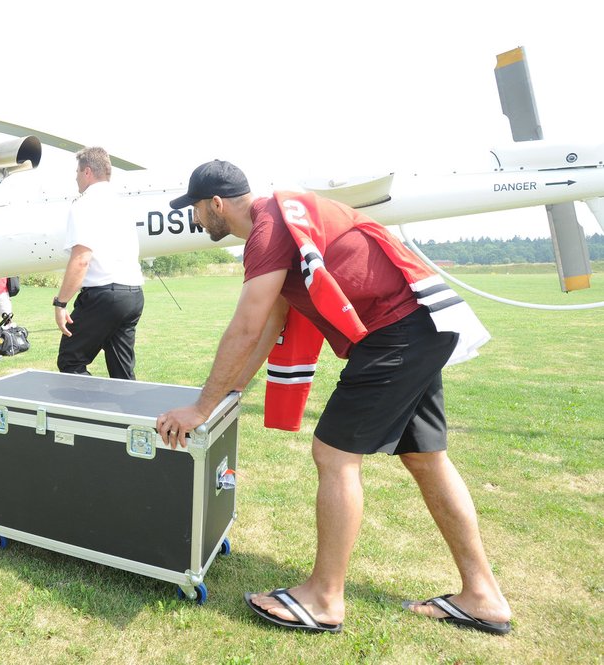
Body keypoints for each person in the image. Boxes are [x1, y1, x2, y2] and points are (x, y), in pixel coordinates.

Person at [155, 160, 511, 635]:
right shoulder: (279, 225)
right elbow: (271, 323)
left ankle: (324, 598)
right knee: (426, 459)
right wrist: (234, 388)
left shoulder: (268, 230)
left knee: (334, 455)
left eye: (196, 209)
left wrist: (201, 407)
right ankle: (482, 595)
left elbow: (244, 325)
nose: (195, 219)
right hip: (420, 324)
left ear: (216, 204)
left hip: (396, 331)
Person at [53, 146, 144, 380]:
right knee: (122, 371)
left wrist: (60, 303)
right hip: (132, 296)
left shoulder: (84, 204)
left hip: (104, 296)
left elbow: (81, 259)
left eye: (77, 171)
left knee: (71, 360)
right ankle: (127, 416)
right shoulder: (123, 205)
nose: (75, 177)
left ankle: (92, 414)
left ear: (87, 172)